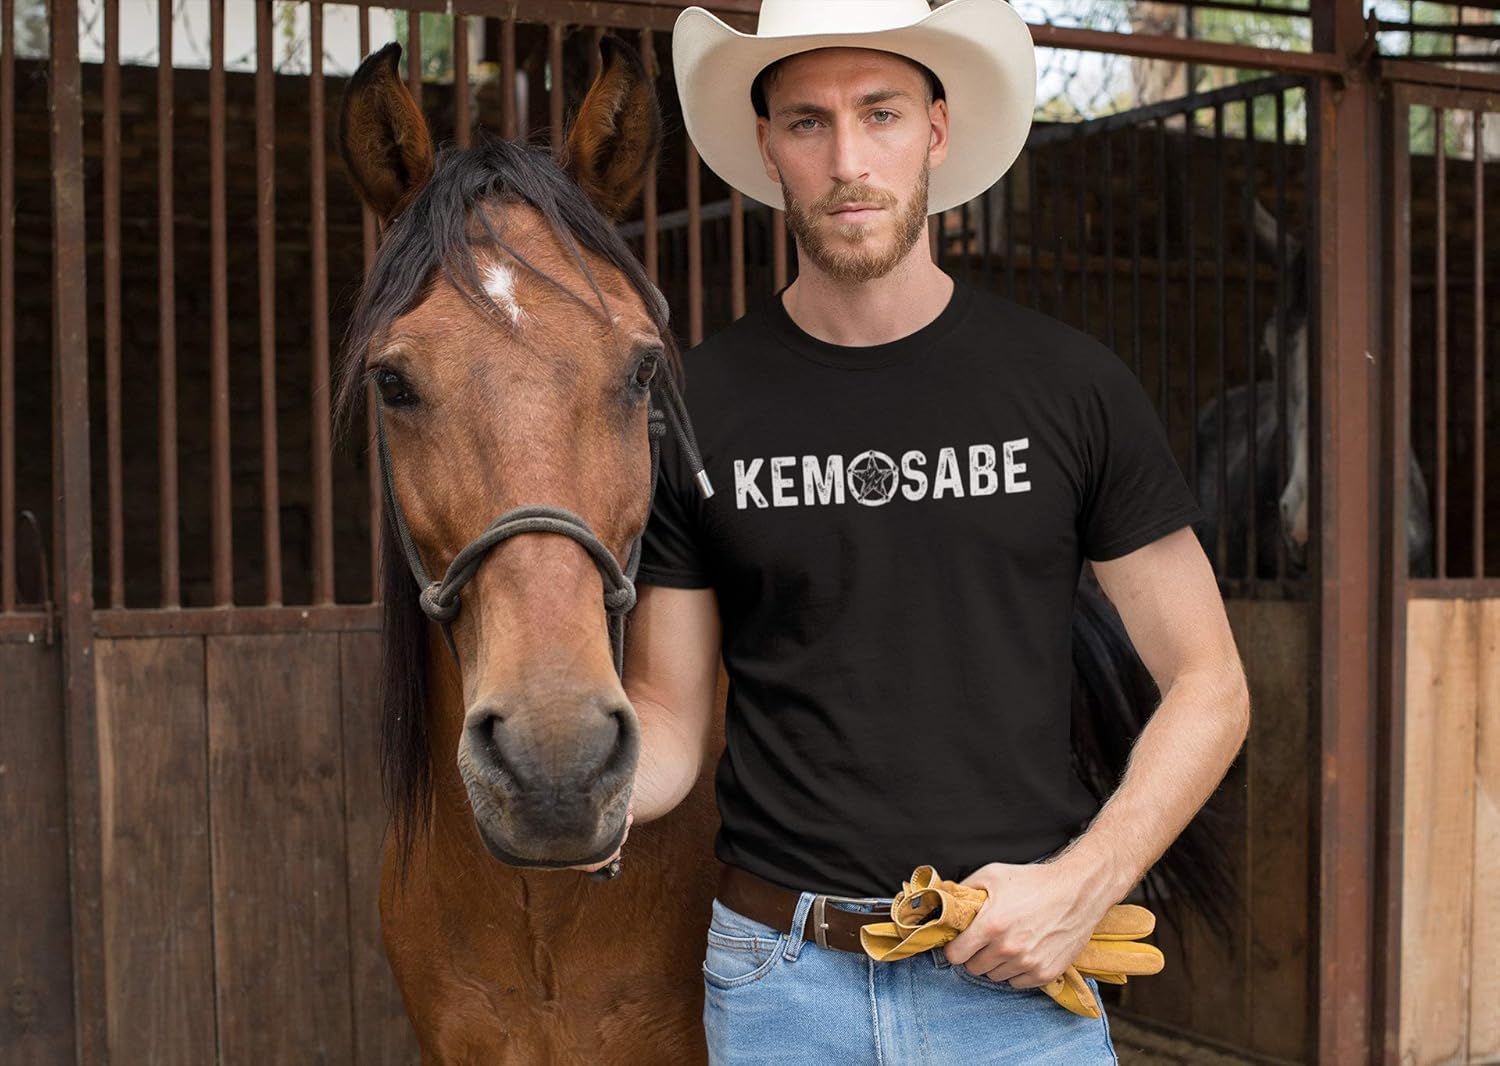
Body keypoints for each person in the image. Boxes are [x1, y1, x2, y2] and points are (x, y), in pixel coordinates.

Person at [605, 1, 1250, 1061]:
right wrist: (572, 786)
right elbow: (670, 719)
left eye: (883, 113)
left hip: (1016, 984)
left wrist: (1083, 884)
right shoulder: (693, 406)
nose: (848, 158)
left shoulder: (1070, 388)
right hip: (780, 985)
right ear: (768, 146)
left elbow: (1210, 683)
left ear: (938, 131)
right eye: (808, 122)